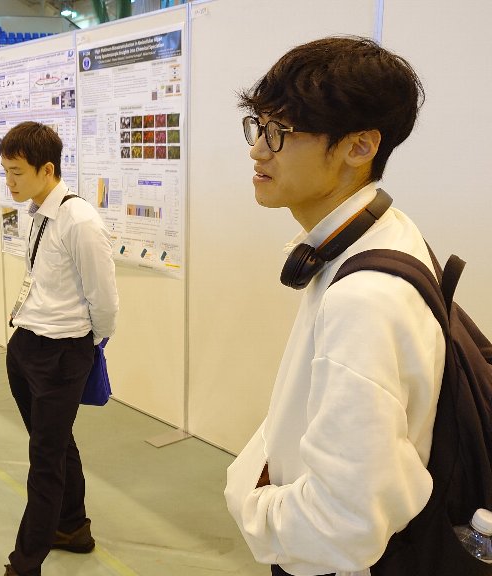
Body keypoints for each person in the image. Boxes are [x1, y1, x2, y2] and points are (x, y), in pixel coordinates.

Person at [223, 37, 442, 576]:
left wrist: (250, 504)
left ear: (360, 147)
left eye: (280, 132)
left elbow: (342, 524)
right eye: (257, 126)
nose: (258, 150)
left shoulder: (363, 298)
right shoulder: (387, 233)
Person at [0, 122, 118, 576]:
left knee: (44, 460)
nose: (9, 182)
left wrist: (88, 345)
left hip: (62, 353)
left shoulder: (80, 221)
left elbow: (105, 301)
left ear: (46, 169)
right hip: (27, 344)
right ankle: (71, 527)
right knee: (55, 443)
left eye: (16, 173)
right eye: (6, 171)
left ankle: (24, 563)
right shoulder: (39, 211)